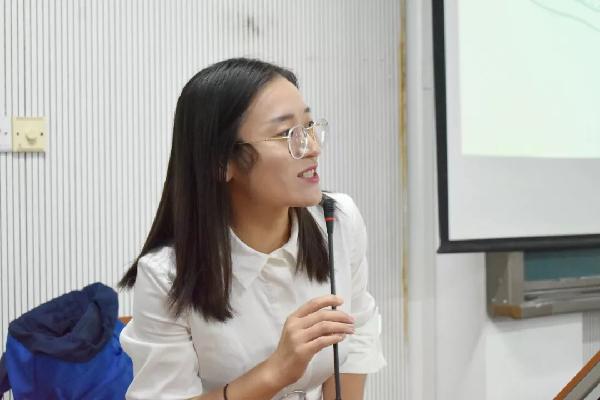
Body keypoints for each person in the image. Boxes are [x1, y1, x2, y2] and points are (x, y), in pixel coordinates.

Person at [118, 58, 385, 400]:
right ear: (222, 162)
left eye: (309, 126)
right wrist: (274, 372)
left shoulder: (338, 221)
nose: (313, 147)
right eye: (286, 134)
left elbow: (358, 333)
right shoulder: (166, 275)